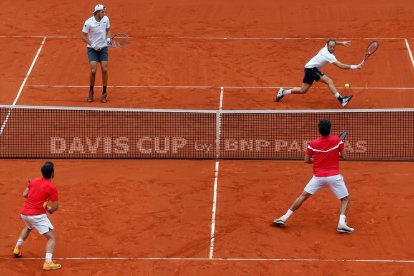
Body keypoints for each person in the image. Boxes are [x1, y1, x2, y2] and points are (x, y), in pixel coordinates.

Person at [273, 119, 354, 233]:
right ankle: (341, 223)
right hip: (334, 177)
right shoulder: (337, 141)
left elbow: (306, 160)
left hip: (318, 178)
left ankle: (284, 217)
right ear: (329, 129)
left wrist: (318, 159)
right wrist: (333, 156)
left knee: (303, 196)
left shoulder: (312, 144)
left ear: (319, 130)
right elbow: (344, 156)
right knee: (345, 199)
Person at [275, 39, 363, 107]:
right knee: (329, 81)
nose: (332, 48)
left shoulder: (326, 46)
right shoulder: (329, 56)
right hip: (311, 69)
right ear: (327, 46)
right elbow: (342, 66)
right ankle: (341, 100)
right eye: (331, 47)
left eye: (333, 47)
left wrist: (341, 43)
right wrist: (356, 67)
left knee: (303, 90)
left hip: (308, 67)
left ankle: (283, 92)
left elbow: (333, 42)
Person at [13, 162, 61, 270]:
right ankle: (48, 262)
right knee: (52, 237)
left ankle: (17, 248)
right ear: (52, 173)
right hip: (37, 216)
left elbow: (25, 194)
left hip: (25, 214)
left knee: (28, 227)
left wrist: (35, 197)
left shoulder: (33, 181)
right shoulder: (52, 187)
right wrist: (50, 210)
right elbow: (55, 206)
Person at [81, 4, 111, 103]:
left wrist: (108, 39)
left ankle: (104, 92)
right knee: (93, 70)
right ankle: (91, 91)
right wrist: (94, 45)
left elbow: (108, 30)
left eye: (104, 11)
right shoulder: (88, 22)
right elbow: (83, 36)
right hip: (92, 48)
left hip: (103, 48)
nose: (104, 13)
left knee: (105, 69)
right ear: (97, 12)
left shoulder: (106, 19)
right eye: (102, 11)